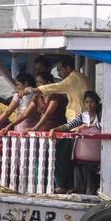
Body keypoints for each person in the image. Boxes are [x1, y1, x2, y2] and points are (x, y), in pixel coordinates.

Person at [36, 58, 93, 186]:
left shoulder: (72, 79)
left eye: (60, 70)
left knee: (65, 158)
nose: (59, 74)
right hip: (75, 125)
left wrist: (37, 90)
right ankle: (72, 185)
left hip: (78, 129)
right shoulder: (77, 79)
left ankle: (66, 185)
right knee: (70, 160)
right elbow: (69, 125)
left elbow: (57, 87)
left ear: (68, 68)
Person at [60, 91, 104, 192]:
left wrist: (87, 126)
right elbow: (69, 125)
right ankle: (77, 188)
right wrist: (56, 129)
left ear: (96, 103)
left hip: (98, 150)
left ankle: (92, 189)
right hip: (83, 151)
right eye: (87, 102)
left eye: (92, 102)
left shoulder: (101, 114)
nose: (89, 105)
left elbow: (105, 125)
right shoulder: (82, 116)